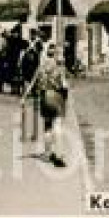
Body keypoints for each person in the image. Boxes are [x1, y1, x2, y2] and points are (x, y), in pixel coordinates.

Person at [26, 28, 70, 167]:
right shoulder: (59, 66)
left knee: (47, 126)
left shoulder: (42, 65)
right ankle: (59, 153)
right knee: (58, 125)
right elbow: (65, 84)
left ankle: (47, 151)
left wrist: (25, 96)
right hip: (56, 96)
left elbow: (33, 82)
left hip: (44, 96)